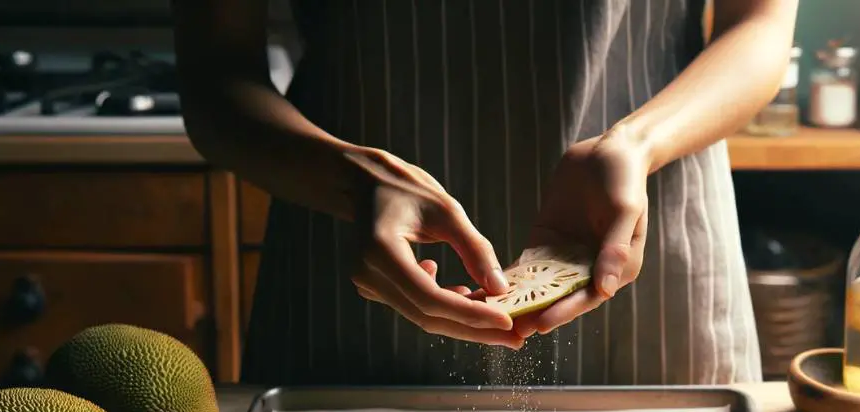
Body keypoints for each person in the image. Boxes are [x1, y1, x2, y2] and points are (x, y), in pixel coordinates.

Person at [173, 0, 798, 386]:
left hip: (645, 242)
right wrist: (352, 179)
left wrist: (639, 142)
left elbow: (761, 27)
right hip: (354, 250)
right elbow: (215, 78)